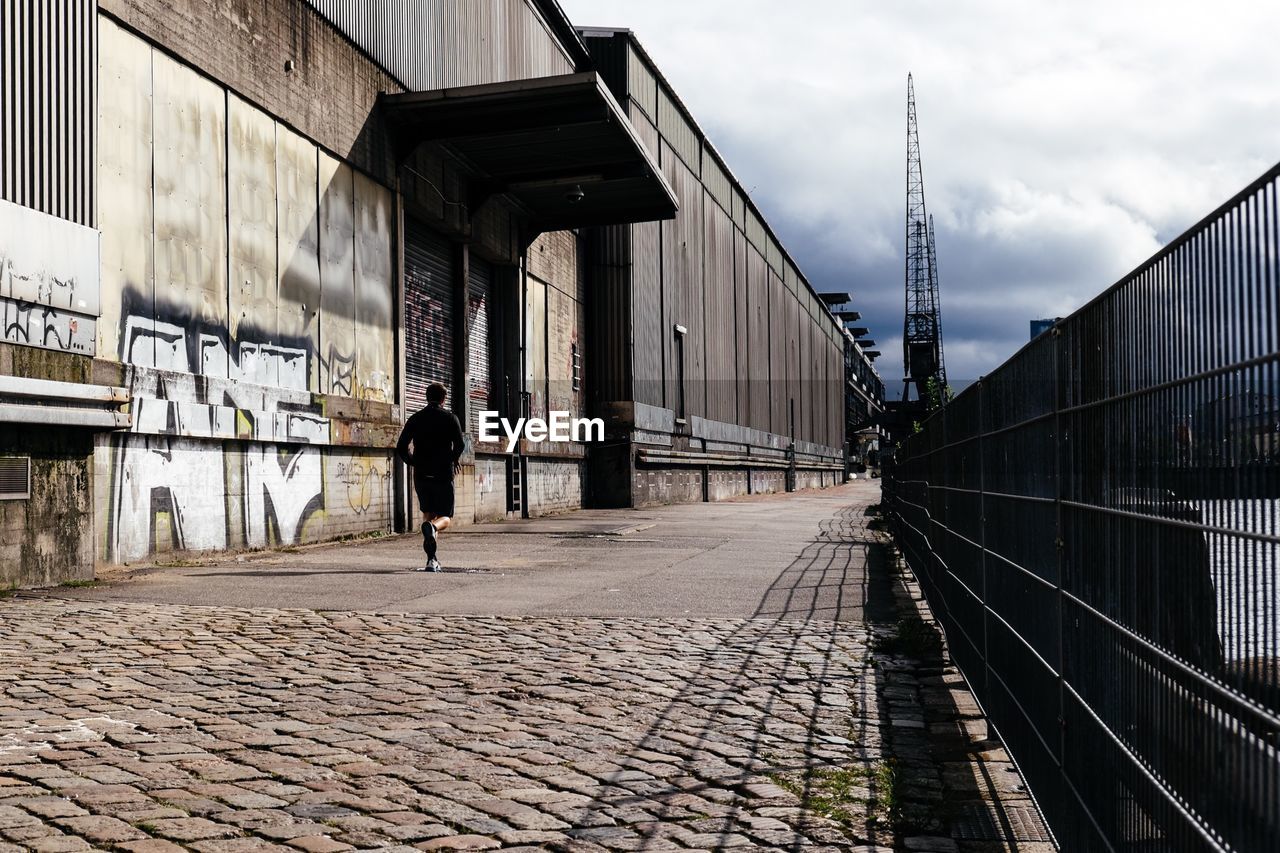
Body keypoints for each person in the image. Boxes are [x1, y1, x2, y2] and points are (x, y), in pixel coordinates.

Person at [396, 382, 465, 572]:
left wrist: (413, 462)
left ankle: (431, 560)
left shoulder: (416, 418)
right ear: (444, 399)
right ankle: (433, 529)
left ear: (427, 397)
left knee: (428, 514)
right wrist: (452, 459)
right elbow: (460, 445)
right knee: (445, 517)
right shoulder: (450, 418)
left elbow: (401, 447)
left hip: (422, 474)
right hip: (442, 474)